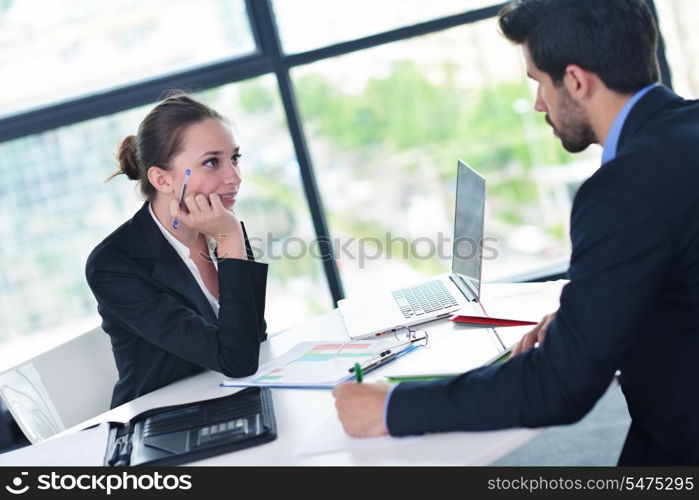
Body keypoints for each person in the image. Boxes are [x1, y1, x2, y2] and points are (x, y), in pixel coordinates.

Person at [333, 0, 699, 465]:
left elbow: (560, 387)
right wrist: (585, 320)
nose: (538, 104)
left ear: (576, 80)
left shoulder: (621, 190)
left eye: (539, 83)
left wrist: (390, 407)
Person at [86, 93, 268, 408]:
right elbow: (239, 360)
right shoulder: (113, 265)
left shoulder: (221, 227)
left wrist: (228, 239)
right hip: (162, 419)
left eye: (234, 158)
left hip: (228, 397)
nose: (234, 177)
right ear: (162, 179)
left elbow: (254, 335)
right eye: (212, 162)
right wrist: (230, 239)